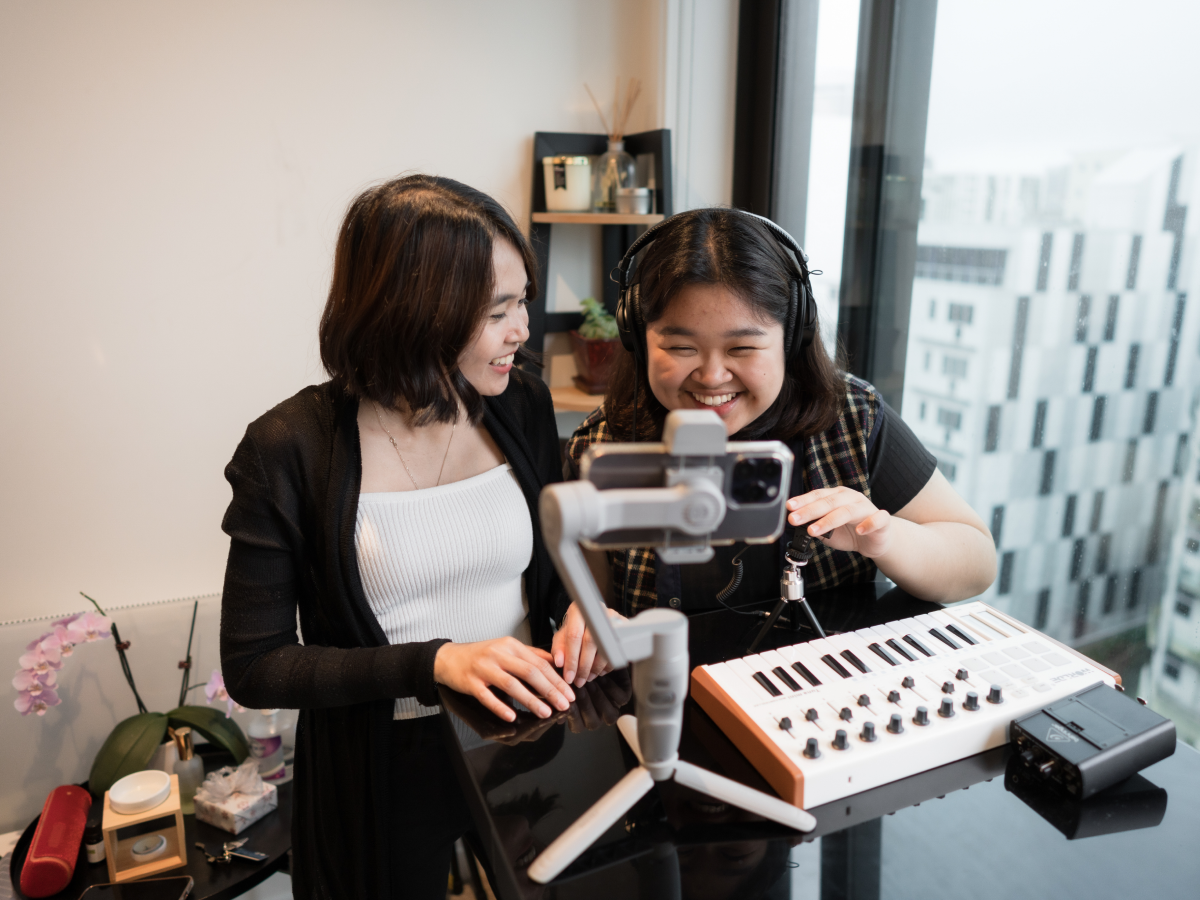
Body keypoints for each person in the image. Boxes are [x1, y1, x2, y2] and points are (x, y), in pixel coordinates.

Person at [219, 174, 578, 899]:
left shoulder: (522, 403)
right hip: (379, 767)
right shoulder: (291, 447)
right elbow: (257, 665)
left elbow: (557, 556)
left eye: (523, 304)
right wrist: (434, 664)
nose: (523, 332)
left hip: (526, 738)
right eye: (498, 312)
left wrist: (579, 610)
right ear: (417, 313)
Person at [552, 207, 997, 686]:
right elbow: (591, 605)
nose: (712, 376)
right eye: (681, 348)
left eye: (742, 349)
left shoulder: (851, 417)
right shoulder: (602, 448)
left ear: (792, 338)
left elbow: (975, 561)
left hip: (827, 698)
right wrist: (589, 624)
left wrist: (884, 538)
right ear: (637, 336)